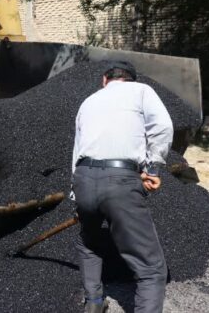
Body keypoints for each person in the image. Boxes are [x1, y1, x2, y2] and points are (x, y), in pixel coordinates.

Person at [72, 61, 173, 313]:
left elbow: (77, 150)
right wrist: (152, 169)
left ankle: (94, 303)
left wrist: (76, 194)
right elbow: (162, 127)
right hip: (121, 180)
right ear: (130, 79)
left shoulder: (88, 102)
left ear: (105, 80)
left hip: (83, 177)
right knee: (151, 269)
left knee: (89, 243)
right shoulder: (141, 91)